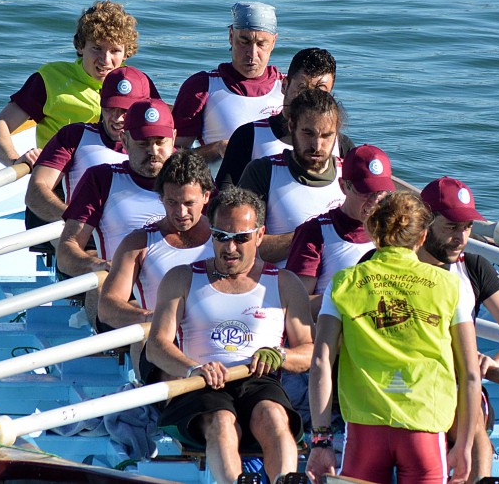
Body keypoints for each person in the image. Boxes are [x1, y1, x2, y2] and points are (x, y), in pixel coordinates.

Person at [307, 191, 479, 484]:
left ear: (373, 233)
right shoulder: (451, 286)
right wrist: (464, 446)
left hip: (364, 430)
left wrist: (321, 440)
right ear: (422, 237)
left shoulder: (343, 283)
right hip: (424, 426)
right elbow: (471, 375)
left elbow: (321, 362)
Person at [147, 187, 314, 484]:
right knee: (222, 421)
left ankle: (284, 480)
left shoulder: (285, 283)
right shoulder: (182, 278)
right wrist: (193, 368)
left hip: (258, 381)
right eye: (221, 236)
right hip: (202, 383)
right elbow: (157, 346)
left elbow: (310, 352)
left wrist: (280, 355)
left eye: (241, 238)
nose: (230, 247)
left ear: (260, 235)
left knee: (274, 416)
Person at [419, 176, 499, 483]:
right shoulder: (388, 265)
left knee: (467, 414)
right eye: (451, 227)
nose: (461, 238)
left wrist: (496, 361)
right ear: (424, 221)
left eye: (467, 227)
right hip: (405, 380)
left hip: (460, 387)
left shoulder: (473, 268)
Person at [0, 0, 140, 168]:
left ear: (126, 52)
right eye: (97, 48)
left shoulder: (137, 83)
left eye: (115, 50)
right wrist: (15, 161)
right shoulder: (50, 79)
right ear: (80, 46)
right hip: (58, 176)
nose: (106, 60)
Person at [25, 66, 160, 224]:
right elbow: (35, 192)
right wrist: (76, 220)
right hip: (86, 234)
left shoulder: (160, 148)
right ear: (101, 99)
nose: (117, 118)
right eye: (110, 108)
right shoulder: (74, 136)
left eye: (125, 110)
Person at [56, 98, 175, 278]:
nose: (153, 151)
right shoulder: (101, 179)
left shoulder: (192, 180)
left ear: (173, 138)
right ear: (124, 141)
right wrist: (97, 265)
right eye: (143, 143)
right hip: (121, 286)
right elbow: (66, 253)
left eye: (160, 142)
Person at [99, 148, 215, 329]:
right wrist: (153, 318)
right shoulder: (138, 243)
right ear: (161, 198)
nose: (181, 212)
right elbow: (107, 307)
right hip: (162, 340)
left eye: (189, 203)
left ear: (206, 196)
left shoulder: (227, 238)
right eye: (172, 202)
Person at [216, 47, 354, 189]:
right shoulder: (248, 136)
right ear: (284, 85)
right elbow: (224, 196)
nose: (309, 99)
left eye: (320, 92)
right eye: (302, 89)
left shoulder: (342, 146)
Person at [237, 88, 346, 263]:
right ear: (291, 126)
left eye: (326, 135)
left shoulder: (350, 173)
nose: (317, 146)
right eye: (308, 133)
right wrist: (316, 233)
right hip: (281, 278)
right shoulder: (262, 171)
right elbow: (243, 246)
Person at [286, 144, 395, 320]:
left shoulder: (395, 231)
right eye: (365, 192)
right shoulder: (314, 232)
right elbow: (294, 307)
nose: (375, 201)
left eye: (381, 192)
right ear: (344, 186)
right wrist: (354, 296)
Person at [172, 2, 284, 162]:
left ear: (273, 42)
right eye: (244, 41)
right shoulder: (201, 87)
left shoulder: (289, 87)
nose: (252, 53)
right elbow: (174, 157)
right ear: (231, 36)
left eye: (261, 44)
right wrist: (215, 149)